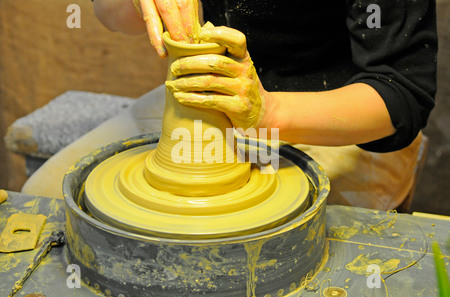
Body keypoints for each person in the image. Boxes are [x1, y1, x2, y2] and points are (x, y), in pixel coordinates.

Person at [22, 0, 437, 211]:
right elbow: (109, 14)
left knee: (254, 258)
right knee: (44, 202)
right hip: (202, 97)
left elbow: (401, 90)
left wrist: (269, 115)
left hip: (339, 115)